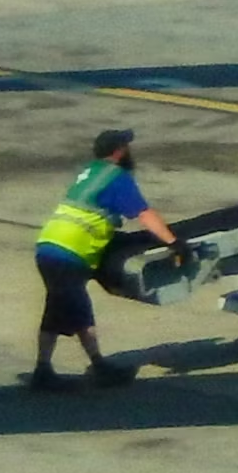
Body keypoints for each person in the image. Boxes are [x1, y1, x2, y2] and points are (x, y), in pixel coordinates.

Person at [30, 126, 178, 390]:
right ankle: (98, 366)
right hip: (70, 253)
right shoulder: (116, 177)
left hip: (49, 247)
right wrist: (173, 242)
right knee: (79, 311)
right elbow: (143, 214)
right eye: (127, 146)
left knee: (57, 309)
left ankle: (43, 370)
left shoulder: (89, 173)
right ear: (120, 151)